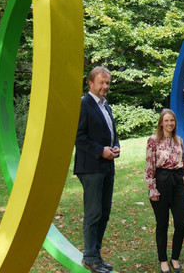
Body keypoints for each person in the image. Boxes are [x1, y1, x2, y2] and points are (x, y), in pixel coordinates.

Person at [74, 66, 119, 273]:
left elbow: (111, 132)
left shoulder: (105, 106)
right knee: (93, 213)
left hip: (107, 166)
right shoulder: (83, 105)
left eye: (107, 83)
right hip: (91, 167)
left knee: (104, 213)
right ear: (90, 83)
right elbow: (78, 137)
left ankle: (97, 256)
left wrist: (115, 145)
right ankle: (89, 257)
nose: (105, 86)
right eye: (101, 82)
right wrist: (101, 151)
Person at [144, 109, 184, 273]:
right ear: (161, 123)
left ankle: (175, 257)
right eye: (166, 120)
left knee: (180, 223)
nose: (170, 123)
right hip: (161, 183)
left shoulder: (179, 140)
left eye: (172, 120)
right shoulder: (153, 141)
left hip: (178, 182)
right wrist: (152, 188)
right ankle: (163, 260)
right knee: (162, 224)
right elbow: (149, 166)